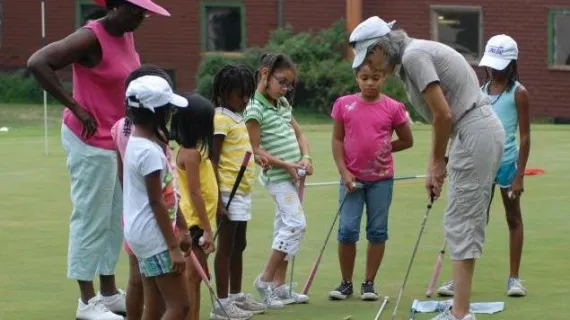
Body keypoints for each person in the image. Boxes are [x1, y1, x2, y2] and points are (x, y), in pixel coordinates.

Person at [348, 16, 506, 320]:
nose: (371, 65)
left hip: (475, 131)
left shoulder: (414, 56)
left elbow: (443, 115)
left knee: (461, 222)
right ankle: (459, 309)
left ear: (381, 46)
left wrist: (435, 162)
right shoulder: (410, 59)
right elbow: (448, 114)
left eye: (369, 55)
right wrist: (443, 159)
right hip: (470, 132)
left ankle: (460, 314)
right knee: (459, 221)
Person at [26, 0, 171, 318]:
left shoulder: (126, 34)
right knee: (91, 217)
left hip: (119, 139)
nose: (141, 19)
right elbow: (38, 62)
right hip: (89, 139)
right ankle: (86, 300)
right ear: (117, 6)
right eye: (137, 12)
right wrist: (76, 106)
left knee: (114, 218)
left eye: (144, 13)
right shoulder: (90, 37)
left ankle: (107, 291)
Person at [436, 34, 530, 298]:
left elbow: (525, 136)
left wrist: (520, 175)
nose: (495, 69)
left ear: (512, 64)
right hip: (479, 162)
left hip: (508, 164)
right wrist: (447, 153)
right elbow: (463, 126)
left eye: (501, 64)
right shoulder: (479, 91)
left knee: (513, 218)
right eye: (492, 64)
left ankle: (514, 278)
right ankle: (460, 279)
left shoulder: (519, 93)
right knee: (474, 218)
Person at [110, 64, 191, 320]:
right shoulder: (148, 152)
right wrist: (173, 247)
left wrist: (184, 227)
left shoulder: (138, 142)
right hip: (155, 238)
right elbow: (157, 202)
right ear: (159, 113)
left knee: (154, 305)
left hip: (142, 234)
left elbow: (168, 198)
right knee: (180, 306)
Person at [329, 63, 413, 301]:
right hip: (351, 178)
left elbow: (407, 140)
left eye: (375, 77)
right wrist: (343, 172)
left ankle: (369, 283)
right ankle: (346, 283)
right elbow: (337, 139)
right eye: (364, 77)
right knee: (347, 231)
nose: (369, 82)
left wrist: (386, 148)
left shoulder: (393, 107)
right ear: (356, 77)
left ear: (383, 77)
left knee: (377, 231)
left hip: (381, 179)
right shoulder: (344, 104)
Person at [244, 52, 312, 308]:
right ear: (265, 74)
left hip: (294, 175)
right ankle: (265, 280)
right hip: (278, 177)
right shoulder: (254, 107)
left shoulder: (281, 104)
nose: (285, 88)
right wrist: (288, 165)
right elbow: (255, 148)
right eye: (281, 81)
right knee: (295, 225)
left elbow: (299, 134)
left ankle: (280, 287)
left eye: (289, 84)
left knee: (284, 227)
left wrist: (306, 157)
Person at [210, 64, 268, 319]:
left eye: (248, 94)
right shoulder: (221, 117)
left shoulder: (236, 116)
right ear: (224, 92)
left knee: (239, 244)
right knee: (226, 247)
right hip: (226, 192)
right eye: (239, 94)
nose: (245, 99)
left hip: (241, 192)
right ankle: (221, 305)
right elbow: (211, 160)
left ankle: (235, 295)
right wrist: (217, 201)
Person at [171, 93, 219, 320]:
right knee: (193, 277)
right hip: (195, 224)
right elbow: (195, 192)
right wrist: (208, 229)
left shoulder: (196, 150)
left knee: (198, 277)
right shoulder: (189, 153)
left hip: (202, 221)